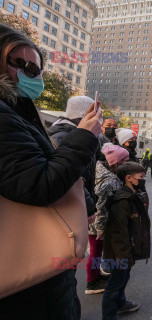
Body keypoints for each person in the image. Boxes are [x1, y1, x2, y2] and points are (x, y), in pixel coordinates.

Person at [0, 23, 102, 319]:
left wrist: (86, 204)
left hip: (45, 280)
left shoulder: (18, 112)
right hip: (26, 278)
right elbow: (38, 183)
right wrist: (85, 136)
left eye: (39, 69)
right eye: (27, 67)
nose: (37, 77)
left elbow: (46, 165)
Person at [102, 161, 151, 319]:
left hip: (127, 250)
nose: (144, 179)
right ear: (129, 178)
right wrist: (123, 256)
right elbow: (118, 231)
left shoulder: (133, 195)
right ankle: (109, 316)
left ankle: (121, 303)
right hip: (119, 253)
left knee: (124, 278)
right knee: (114, 285)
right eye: (141, 177)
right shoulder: (122, 200)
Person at [86, 143, 129, 295]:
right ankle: (92, 282)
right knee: (95, 252)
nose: (127, 163)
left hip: (99, 222)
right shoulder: (108, 180)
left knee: (96, 251)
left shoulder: (106, 172)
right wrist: (100, 229)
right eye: (125, 161)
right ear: (116, 162)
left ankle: (95, 277)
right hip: (98, 224)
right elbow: (101, 206)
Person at [47, 95, 97, 217]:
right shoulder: (63, 137)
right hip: (70, 207)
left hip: (77, 203)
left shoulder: (78, 135)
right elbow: (68, 173)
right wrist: (88, 207)